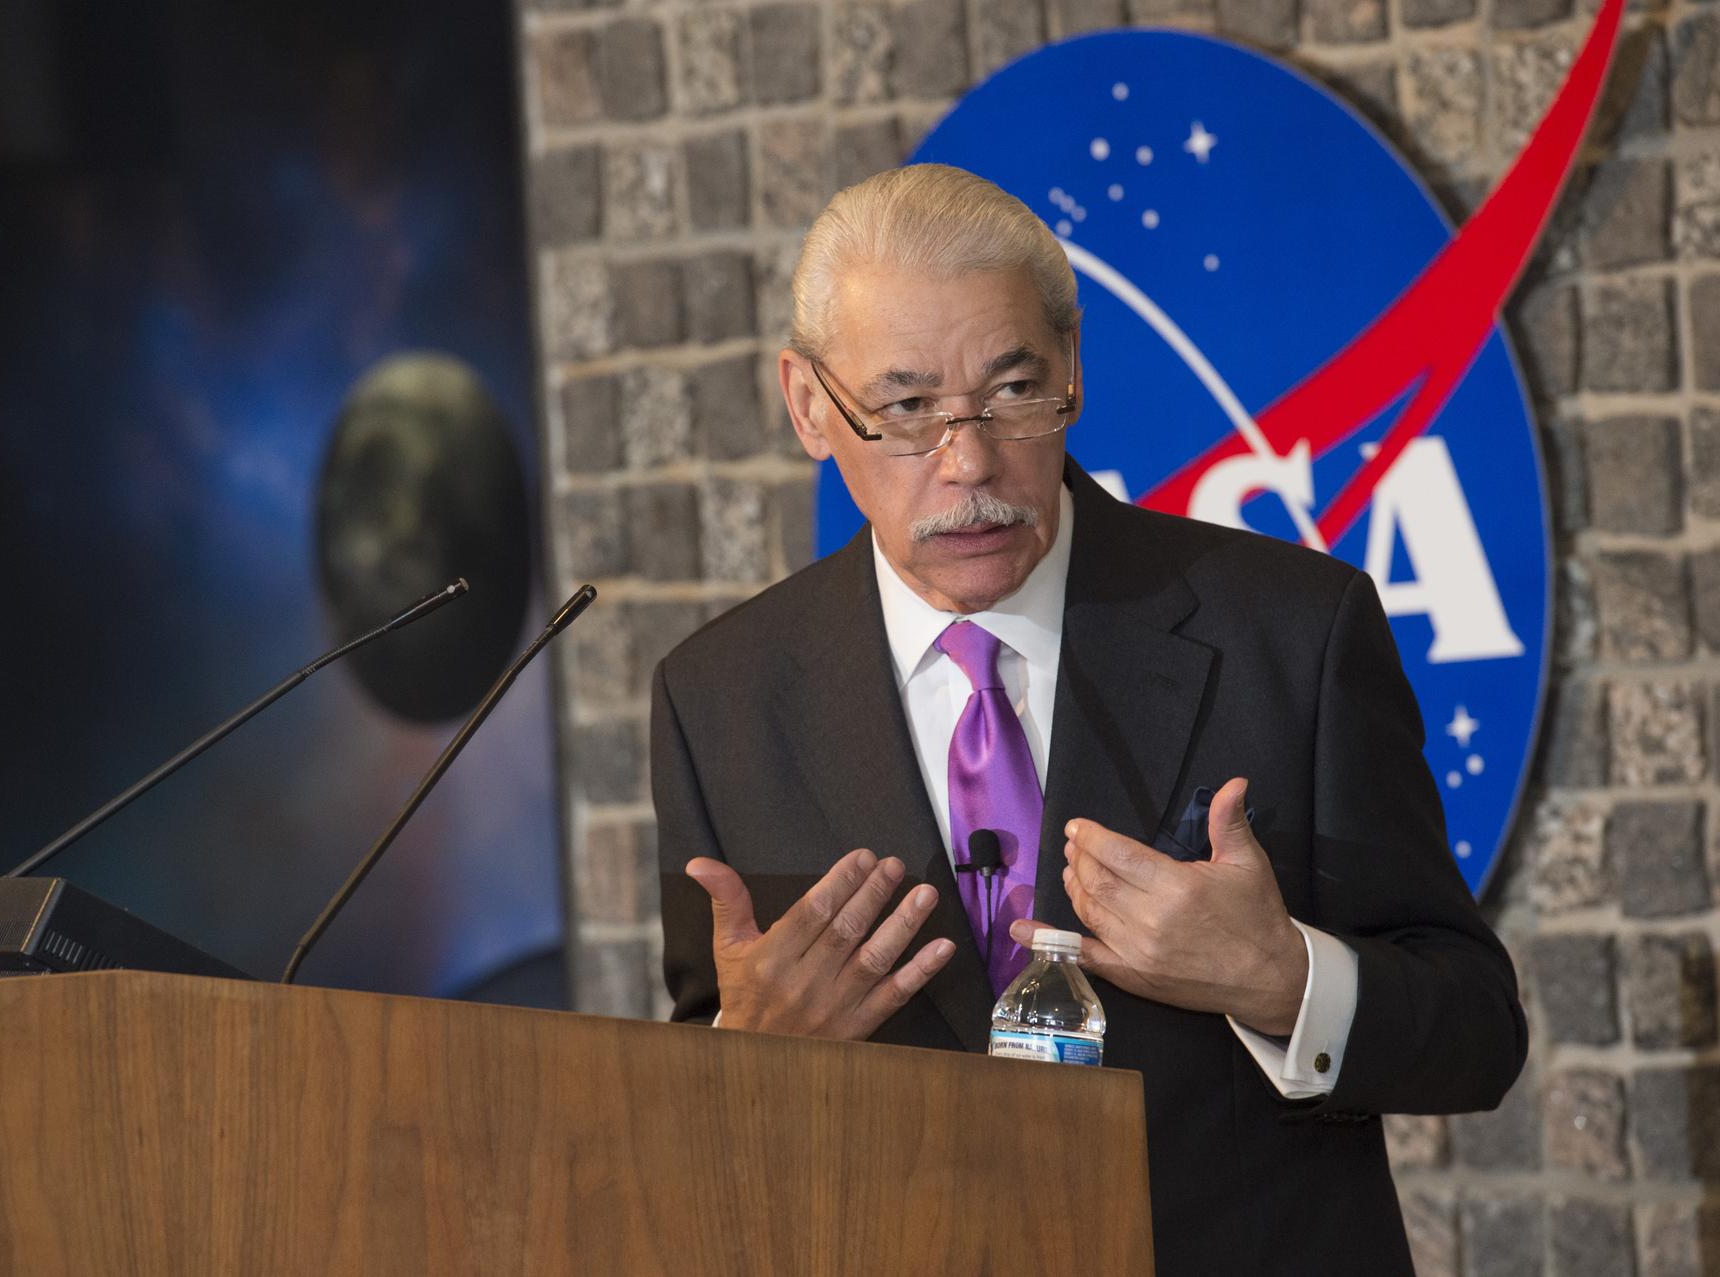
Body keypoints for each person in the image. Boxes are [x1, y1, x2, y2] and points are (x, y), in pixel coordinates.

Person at [651, 163, 1525, 1276]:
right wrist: (745, 1058)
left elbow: (1477, 1033)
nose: (969, 463)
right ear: (811, 405)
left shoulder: (1293, 632)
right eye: (908, 408)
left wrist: (1279, 976)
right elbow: (691, 1099)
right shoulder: (719, 696)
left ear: (1071, 365)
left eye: (1014, 392)